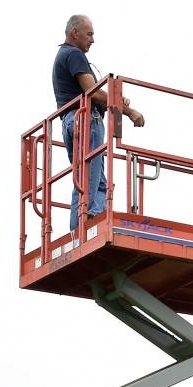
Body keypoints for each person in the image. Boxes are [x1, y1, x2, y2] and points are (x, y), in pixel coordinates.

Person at [51, 15, 144, 230]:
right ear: (75, 32)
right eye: (89, 34)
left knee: (96, 181)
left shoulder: (63, 55)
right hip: (85, 120)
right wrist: (128, 110)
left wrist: (115, 100)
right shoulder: (73, 54)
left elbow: (91, 93)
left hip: (73, 121)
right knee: (88, 183)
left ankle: (88, 223)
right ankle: (84, 229)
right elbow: (91, 91)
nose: (93, 40)